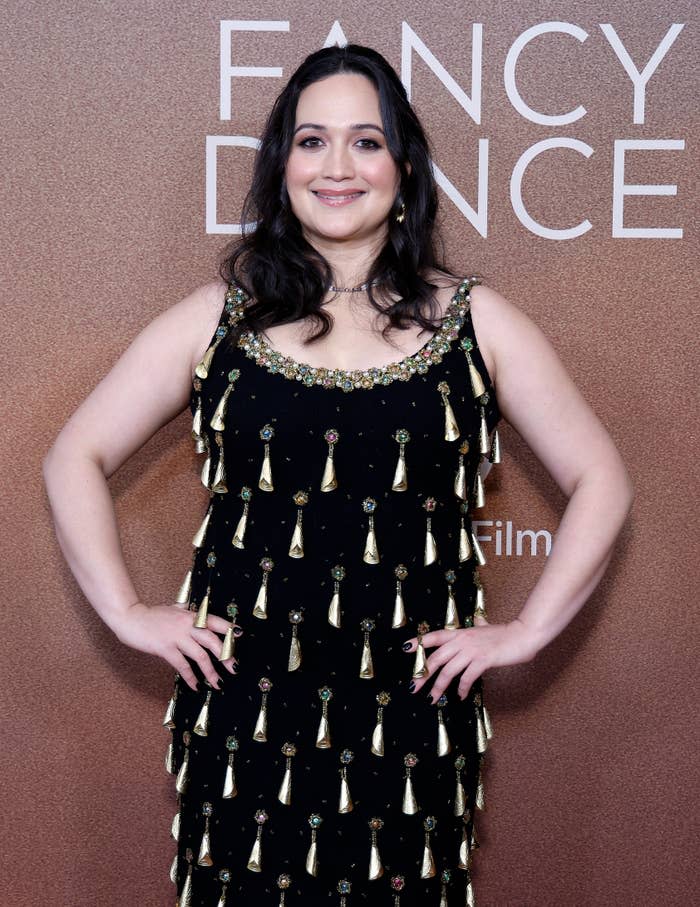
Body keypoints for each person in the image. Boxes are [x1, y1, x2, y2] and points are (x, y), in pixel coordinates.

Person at [43, 44, 633, 907]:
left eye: (366, 141)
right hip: (247, 718)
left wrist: (527, 632)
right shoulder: (220, 318)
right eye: (312, 140)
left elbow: (602, 479)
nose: (337, 167)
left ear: (404, 163)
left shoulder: (476, 321)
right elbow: (74, 455)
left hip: (410, 723)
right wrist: (127, 612)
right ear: (282, 161)